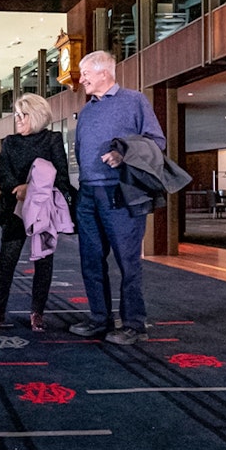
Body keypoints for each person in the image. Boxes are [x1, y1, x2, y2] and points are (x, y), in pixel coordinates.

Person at [70, 50, 166, 345]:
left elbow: (156, 141)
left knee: (127, 261)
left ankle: (134, 325)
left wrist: (121, 154)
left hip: (119, 192)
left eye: (85, 73)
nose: (81, 78)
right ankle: (100, 319)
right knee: (91, 260)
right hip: (88, 192)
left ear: (104, 73)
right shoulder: (87, 110)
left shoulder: (134, 100)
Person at [0, 93, 74, 332]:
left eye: (22, 115)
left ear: (37, 116)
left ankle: (37, 313)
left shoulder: (52, 140)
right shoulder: (10, 142)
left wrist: (31, 189)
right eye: (17, 115)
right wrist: (17, 189)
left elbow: (61, 177)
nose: (18, 120)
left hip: (43, 210)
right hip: (14, 209)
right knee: (6, 261)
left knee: (43, 261)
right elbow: (3, 175)